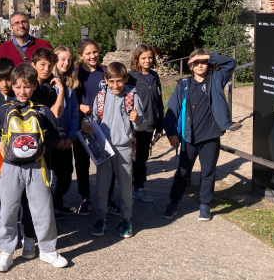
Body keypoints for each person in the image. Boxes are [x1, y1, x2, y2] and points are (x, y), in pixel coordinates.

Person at [0, 63, 67, 272]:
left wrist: (45, 147)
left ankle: (47, 250)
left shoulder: (42, 110)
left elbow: (59, 132)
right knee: (8, 210)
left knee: (43, 209)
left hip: (37, 167)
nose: (22, 91)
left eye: (27, 86)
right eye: (18, 86)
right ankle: (5, 251)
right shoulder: (4, 110)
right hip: (10, 167)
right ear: (12, 86)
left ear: (34, 86)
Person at [162, 49, 237, 222]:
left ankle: (205, 204)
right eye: (196, 62)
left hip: (210, 135)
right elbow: (172, 110)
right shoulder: (183, 85)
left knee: (208, 171)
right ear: (190, 66)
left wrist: (208, 56)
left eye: (203, 62)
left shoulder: (216, 79)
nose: (200, 65)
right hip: (188, 138)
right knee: (182, 171)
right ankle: (173, 202)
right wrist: (171, 133)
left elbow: (231, 63)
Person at [0, 58, 37, 259]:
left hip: (26, 163)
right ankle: (0, 237)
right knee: (2, 204)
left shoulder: (25, 101)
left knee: (27, 202)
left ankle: (28, 236)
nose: (4, 84)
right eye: (0, 79)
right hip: (0, 164)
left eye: (8, 80)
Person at [91, 62, 144, 239]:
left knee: (126, 186)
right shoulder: (100, 97)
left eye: (119, 81)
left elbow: (142, 125)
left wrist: (137, 119)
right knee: (102, 186)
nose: (116, 85)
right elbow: (94, 119)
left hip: (124, 147)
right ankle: (101, 218)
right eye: (112, 81)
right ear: (106, 80)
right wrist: (87, 124)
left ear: (126, 79)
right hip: (104, 148)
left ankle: (126, 219)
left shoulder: (132, 96)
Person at [128, 44, 165, 204]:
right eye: (144, 58)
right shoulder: (131, 77)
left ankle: (139, 189)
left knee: (142, 159)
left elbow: (159, 101)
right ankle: (130, 190)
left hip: (150, 124)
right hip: (135, 126)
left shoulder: (154, 76)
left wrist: (160, 125)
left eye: (150, 57)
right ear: (137, 59)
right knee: (133, 159)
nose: (147, 60)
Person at [74, 39, 107, 216]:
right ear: (81, 55)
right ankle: (85, 197)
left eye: (95, 52)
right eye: (88, 53)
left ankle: (107, 198)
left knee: (106, 161)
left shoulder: (105, 71)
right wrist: (80, 107)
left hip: (103, 123)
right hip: (82, 123)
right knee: (82, 163)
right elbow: (70, 98)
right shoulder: (75, 73)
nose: (92, 56)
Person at [50, 46, 79, 219]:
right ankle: (51, 207)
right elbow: (51, 115)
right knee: (54, 176)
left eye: (69, 60)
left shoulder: (70, 84)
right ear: (55, 60)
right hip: (54, 139)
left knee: (66, 173)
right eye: (62, 59)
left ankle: (58, 202)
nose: (66, 63)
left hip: (66, 138)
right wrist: (58, 137)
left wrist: (70, 137)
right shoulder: (50, 83)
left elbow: (74, 112)